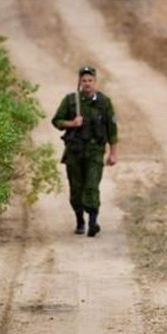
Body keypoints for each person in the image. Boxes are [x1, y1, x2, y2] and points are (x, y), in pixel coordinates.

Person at [52, 65, 118, 236]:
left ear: (95, 82)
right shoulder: (71, 101)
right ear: (80, 82)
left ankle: (93, 222)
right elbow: (57, 121)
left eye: (90, 80)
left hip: (95, 151)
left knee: (92, 186)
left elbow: (112, 129)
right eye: (84, 81)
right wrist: (72, 123)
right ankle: (80, 220)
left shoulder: (104, 102)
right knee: (76, 189)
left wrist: (113, 153)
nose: (87, 84)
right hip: (74, 152)